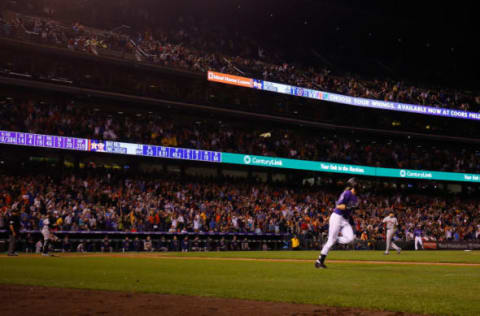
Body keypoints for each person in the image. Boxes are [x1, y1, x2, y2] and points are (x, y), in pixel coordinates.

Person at [315, 177, 359, 269]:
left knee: (350, 238)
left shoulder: (355, 198)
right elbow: (339, 205)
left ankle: (334, 239)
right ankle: (319, 261)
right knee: (330, 241)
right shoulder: (347, 193)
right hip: (337, 217)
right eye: (356, 184)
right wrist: (347, 207)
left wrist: (352, 222)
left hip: (345, 219)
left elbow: (350, 212)